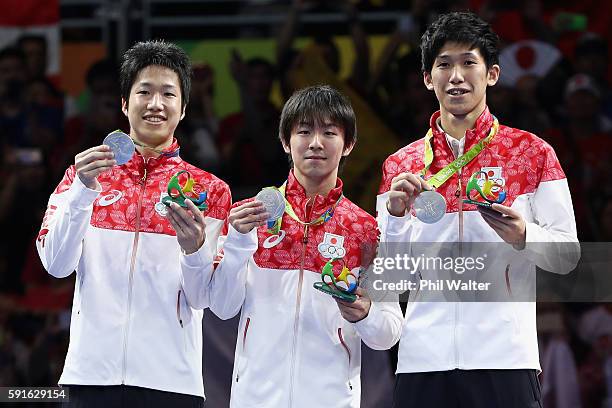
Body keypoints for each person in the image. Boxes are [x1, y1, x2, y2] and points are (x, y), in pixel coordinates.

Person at [376, 12, 580, 407]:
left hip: (506, 357)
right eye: (444, 64)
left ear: (492, 74)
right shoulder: (400, 166)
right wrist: (398, 219)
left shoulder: (533, 154)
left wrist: (526, 236)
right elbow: (390, 281)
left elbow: (567, 256)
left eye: (468, 62)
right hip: (423, 360)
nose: (456, 76)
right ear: (426, 78)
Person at [36, 40, 231, 407]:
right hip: (89, 376)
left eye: (168, 94)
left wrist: (193, 251)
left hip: (172, 382)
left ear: (183, 108)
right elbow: (56, 266)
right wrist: (82, 191)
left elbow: (208, 298)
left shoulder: (210, 192)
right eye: (144, 91)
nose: (156, 104)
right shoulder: (82, 175)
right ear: (125, 103)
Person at [208, 85, 402, 407]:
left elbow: (388, 332)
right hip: (256, 397)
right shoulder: (250, 216)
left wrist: (365, 314)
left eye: (329, 132)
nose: (315, 143)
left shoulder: (367, 231)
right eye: (304, 131)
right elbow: (223, 306)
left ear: (348, 144)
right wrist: (239, 243)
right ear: (286, 141)